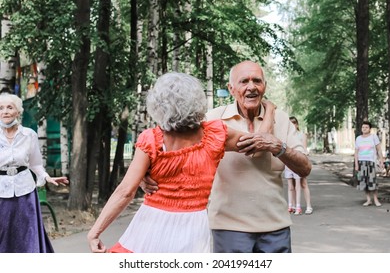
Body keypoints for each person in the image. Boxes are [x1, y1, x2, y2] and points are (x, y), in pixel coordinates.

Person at [87, 72, 275, 253]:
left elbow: (125, 191)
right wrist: (270, 111)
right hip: (192, 229)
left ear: (158, 104)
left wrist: (95, 233)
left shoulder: (151, 139)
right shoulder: (216, 134)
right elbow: (260, 143)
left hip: (150, 226)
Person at [142, 61, 312, 253]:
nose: (251, 87)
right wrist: (144, 174)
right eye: (244, 81)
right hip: (228, 227)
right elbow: (172, 145)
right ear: (231, 89)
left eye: (257, 81)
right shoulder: (212, 119)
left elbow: (305, 168)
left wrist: (280, 147)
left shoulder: (281, 119)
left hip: (276, 228)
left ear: (264, 86)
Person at [0, 93, 69, 253]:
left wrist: (46, 177)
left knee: (26, 235)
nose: (5, 112)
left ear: (18, 112)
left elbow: (35, 164)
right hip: (1, 193)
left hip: (25, 192)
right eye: (1, 108)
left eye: (10, 107)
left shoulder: (29, 135)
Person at [284, 116, 313, 215]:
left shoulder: (301, 135)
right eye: (290, 124)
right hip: (290, 162)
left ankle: (308, 206)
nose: (292, 125)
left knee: (303, 184)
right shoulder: (286, 135)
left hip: (300, 161)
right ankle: (292, 205)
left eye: (294, 123)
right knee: (291, 185)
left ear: (297, 124)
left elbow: (304, 149)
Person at [354, 120, 384, 207]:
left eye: (366, 127)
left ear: (370, 129)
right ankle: (368, 200)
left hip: (371, 162)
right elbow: (356, 152)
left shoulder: (373, 137)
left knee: (373, 181)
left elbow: (379, 149)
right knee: (364, 181)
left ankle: (376, 199)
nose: (364, 129)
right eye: (363, 127)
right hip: (361, 162)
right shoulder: (358, 138)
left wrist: (381, 161)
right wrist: (356, 164)